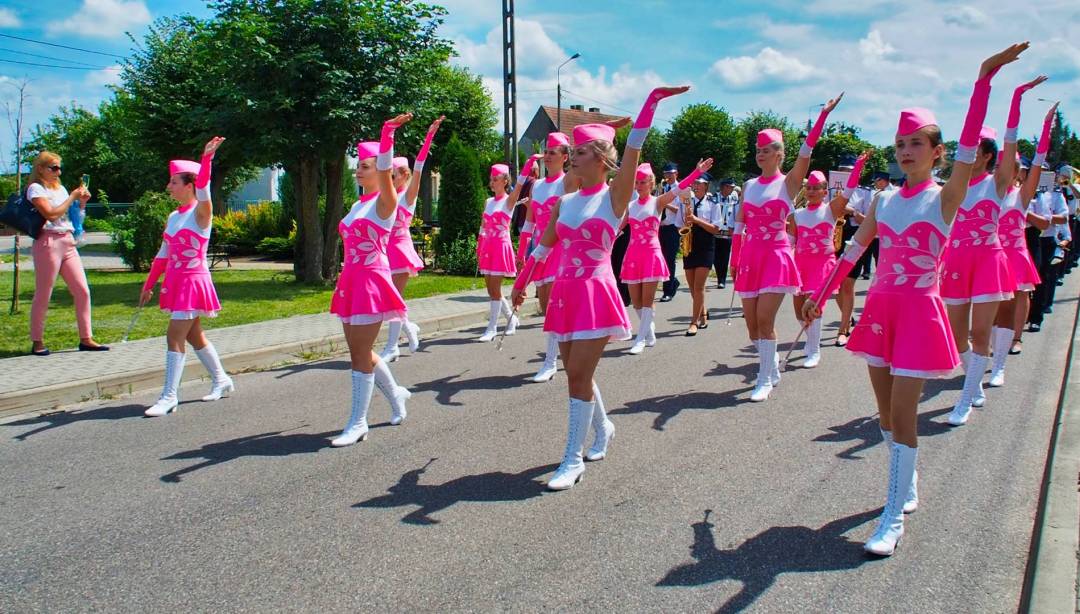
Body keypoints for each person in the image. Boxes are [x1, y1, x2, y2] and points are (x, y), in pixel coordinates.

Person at [803, 43, 1028, 556]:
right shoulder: (883, 200)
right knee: (885, 415)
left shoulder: (947, 195)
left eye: (915, 144)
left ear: (936, 151)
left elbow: (972, 142)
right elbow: (854, 250)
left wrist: (984, 81)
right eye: (900, 144)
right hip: (882, 310)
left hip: (921, 310)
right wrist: (818, 294)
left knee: (904, 411)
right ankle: (907, 480)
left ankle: (891, 517)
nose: (905, 151)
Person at [512, 86, 688, 490]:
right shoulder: (565, 202)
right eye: (572, 150)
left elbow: (633, 151)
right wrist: (521, 285)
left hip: (595, 291)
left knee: (575, 374)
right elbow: (542, 248)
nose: (573, 155)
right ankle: (604, 427)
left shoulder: (615, 196)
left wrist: (651, 102)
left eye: (581, 151)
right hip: (565, 293)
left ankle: (572, 459)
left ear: (602, 158)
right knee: (579, 373)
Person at [730, 92, 844, 402]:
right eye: (758, 151)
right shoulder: (750, 186)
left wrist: (822, 117)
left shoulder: (789, 183)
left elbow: (807, 152)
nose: (761, 155)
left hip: (777, 256)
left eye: (767, 151)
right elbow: (740, 225)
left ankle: (764, 378)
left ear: (780, 155)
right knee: (752, 327)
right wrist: (735, 257)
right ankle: (772, 367)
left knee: (765, 320)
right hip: (751, 257)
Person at [327, 115, 415, 446]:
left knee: (359, 354)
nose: (358, 170)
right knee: (359, 350)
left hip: (371, 283)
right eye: (359, 166)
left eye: (365, 166)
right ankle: (397, 397)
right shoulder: (356, 205)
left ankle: (358, 422)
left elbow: (384, 168)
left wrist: (387, 134)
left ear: (381, 172)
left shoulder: (385, 204)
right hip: (350, 281)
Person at [140, 137, 231, 416]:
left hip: (193, 281)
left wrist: (207, 161)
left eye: (174, 182)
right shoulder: (173, 216)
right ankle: (222, 380)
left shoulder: (201, 214)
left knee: (173, 336)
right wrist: (148, 284)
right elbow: (162, 255)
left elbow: (205, 190)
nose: (168, 187)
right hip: (176, 282)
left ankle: (169, 396)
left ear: (189, 185)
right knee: (194, 336)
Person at [621, 159, 710, 353]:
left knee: (647, 300)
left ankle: (640, 339)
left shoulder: (658, 201)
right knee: (635, 300)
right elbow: (617, 229)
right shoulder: (631, 205)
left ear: (652, 184)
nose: (639, 185)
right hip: (633, 255)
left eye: (643, 182)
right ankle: (650, 332)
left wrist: (696, 173)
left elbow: (680, 189)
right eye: (637, 182)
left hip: (651, 254)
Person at [26, 152, 107, 356]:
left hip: (67, 240)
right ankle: (37, 341)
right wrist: (72, 196)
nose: (58, 172)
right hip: (48, 241)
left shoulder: (59, 188)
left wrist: (81, 203)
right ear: (41, 169)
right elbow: (51, 214)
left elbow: (72, 217)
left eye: (59, 168)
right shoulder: (36, 189)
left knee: (82, 290)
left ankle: (86, 338)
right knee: (44, 293)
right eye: (53, 168)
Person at [380, 116, 444, 362]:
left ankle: (392, 346)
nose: (390, 178)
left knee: (394, 299)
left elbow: (420, 164)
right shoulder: (386, 195)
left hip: (401, 248)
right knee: (391, 298)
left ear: (404, 175)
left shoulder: (408, 194)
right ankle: (410, 329)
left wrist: (429, 136)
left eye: (393, 175)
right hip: (385, 251)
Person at [514, 134, 578, 382]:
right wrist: (522, 254)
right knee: (545, 305)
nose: (548, 155)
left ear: (565, 157)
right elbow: (528, 222)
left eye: (554, 151)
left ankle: (550, 362)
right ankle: (566, 346)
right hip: (539, 250)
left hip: (560, 249)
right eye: (547, 150)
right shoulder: (537, 185)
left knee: (552, 306)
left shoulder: (567, 182)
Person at [791, 159, 866, 368]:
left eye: (817, 188)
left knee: (814, 306)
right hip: (800, 264)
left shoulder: (831, 209)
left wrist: (857, 168)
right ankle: (811, 340)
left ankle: (814, 351)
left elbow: (849, 190)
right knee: (798, 308)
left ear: (826, 191)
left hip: (823, 263)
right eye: (809, 188)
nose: (812, 191)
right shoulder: (797, 215)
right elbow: (790, 242)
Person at [475, 164, 519, 341]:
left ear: (505, 181)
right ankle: (511, 319)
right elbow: (483, 226)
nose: (492, 182)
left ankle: (492, 328)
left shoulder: (509, 201)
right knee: (491, 290)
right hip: (488, 247)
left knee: (495, 289)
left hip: (501, 246)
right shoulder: (488, 202)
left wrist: (529, 164)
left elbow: (521, 185)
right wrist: (479, 244)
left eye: (496, 179)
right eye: (491, 179)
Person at [683, 171, 722, 335]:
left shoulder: (713, 204)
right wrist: (685, 221)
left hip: (706, 245)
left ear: (706, 186)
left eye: (699, 183)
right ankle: (703, 313)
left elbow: (716, 228)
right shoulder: (686, 203)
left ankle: (694, 322)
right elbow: (679, 223)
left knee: (699, 286)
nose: (696, 185)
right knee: (692, 287)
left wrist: (696, 220)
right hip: (690, 244)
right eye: (695, 183)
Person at [658, 162, 683, 301]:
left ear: (676, 174)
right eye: (666, 173)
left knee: (669, 259)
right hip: (660, 227)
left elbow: (681, 210)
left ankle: (668, 291)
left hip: (673, 227)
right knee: (662, 259)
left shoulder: (680, 189)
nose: (667, 176)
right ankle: (673, 282)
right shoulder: (662, 188)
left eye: (670, 173)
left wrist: (663, 202)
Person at [713, 177, 739, 289]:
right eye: (730, 187)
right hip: (715, 231)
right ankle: (719, 275)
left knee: (724, 257)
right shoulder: (713, 198)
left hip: (727, 232)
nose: (732, 189)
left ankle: (721, 280)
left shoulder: (734, 199)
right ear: (724, 187)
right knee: (715, 256)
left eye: (733, 187)